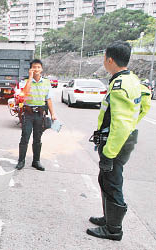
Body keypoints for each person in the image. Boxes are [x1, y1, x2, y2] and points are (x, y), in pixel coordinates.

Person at [87, 41, 150, 241]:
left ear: (110, 59)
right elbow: (146, 103)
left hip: (116, 143)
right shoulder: (133, 80)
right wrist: (133, 122)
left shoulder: (120, 85)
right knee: (106, 180)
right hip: (123, 139)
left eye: (104, 58)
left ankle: (113, 229)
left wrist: (109, 153)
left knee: (112, 182)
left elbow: (121, 125)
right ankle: (108, 219)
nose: (104, 61)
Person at [15, 59, 57, 171]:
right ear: (30, 69)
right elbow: (25, 93)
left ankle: (36, 161)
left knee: (37, 139)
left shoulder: (47, 82)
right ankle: (21, 161)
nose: (36, 69)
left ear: (42, 69)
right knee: (25, 137)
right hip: (28, 114)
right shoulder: (25, 82)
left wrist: (53, 114)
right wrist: (30, 77)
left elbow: (48, 99)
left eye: (38, 67)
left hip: (40, 115)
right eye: (34, 67)